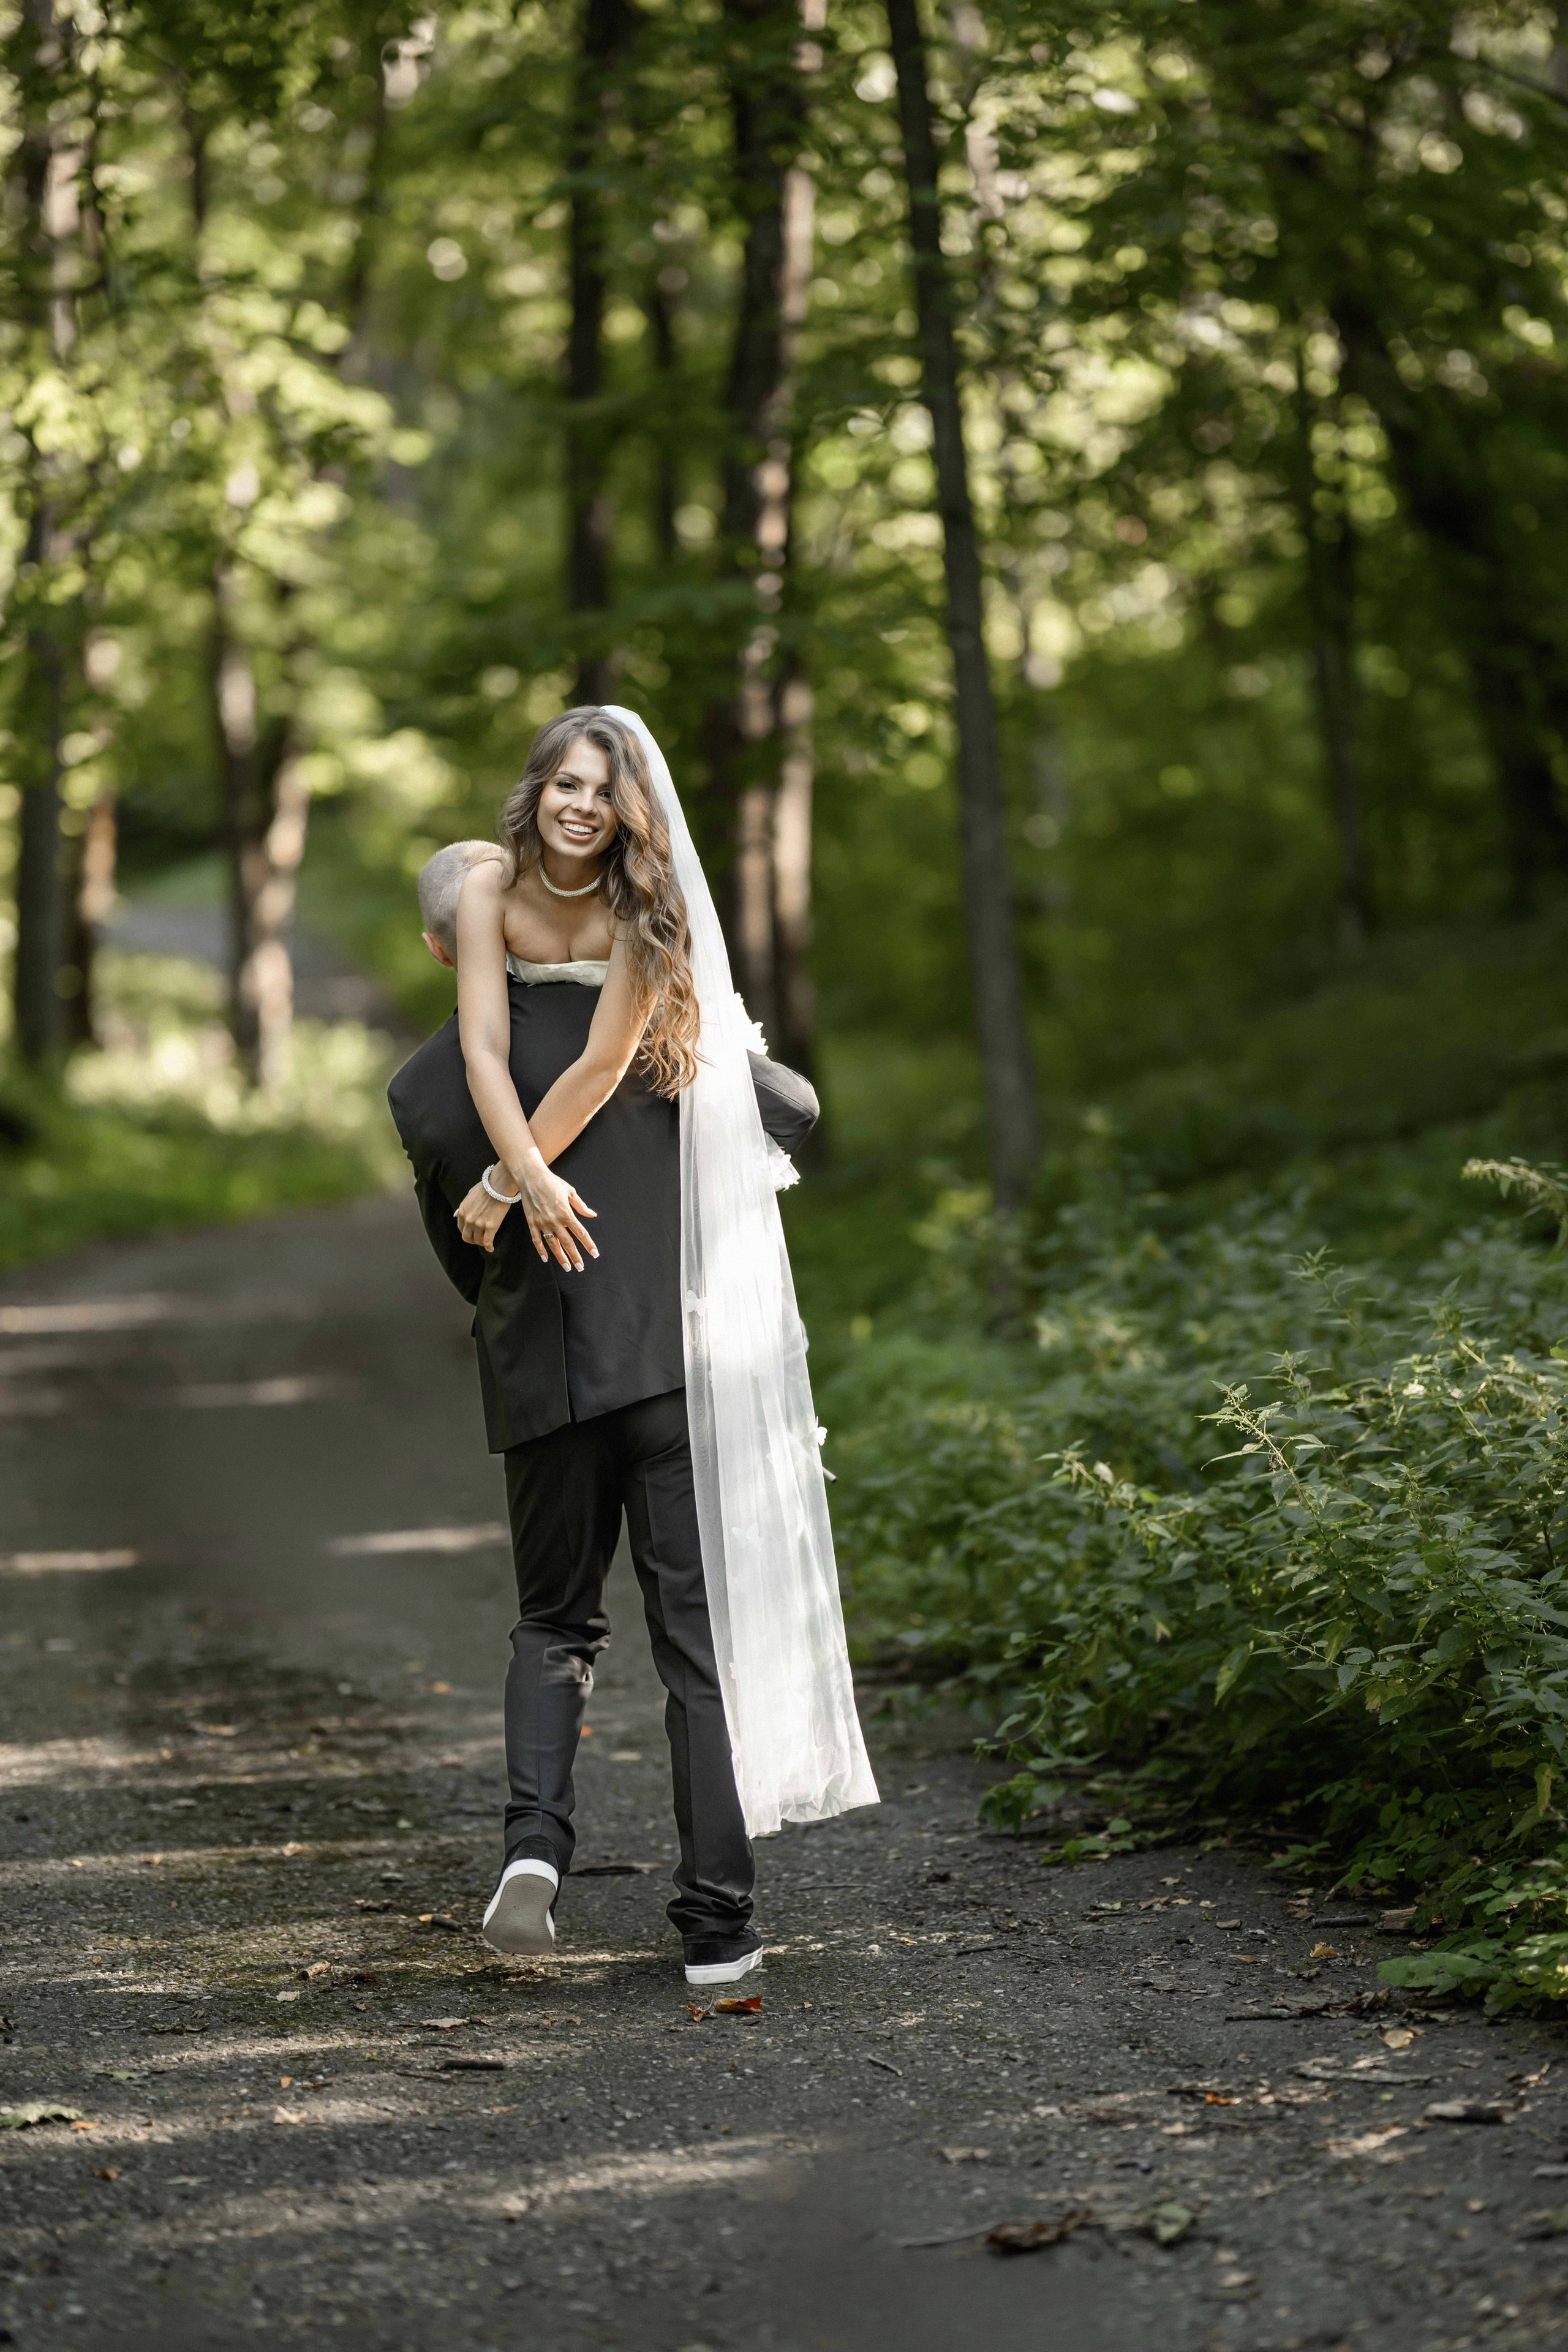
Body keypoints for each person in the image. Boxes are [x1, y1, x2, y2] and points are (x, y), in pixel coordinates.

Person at [386, 707, 875, 1989]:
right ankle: (717, 1929)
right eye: (563, 780)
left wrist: (504, 1191)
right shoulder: (687, 1030)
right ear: (538, 792)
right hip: (666, 1354)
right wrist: (528, 1176)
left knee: (552, 1626)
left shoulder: (427, 1075)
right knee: (690, 1646)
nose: (577, 802)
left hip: (544, 1356)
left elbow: (484, 1158)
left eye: (599, 786)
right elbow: (781, 1111)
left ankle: (534, 1851)